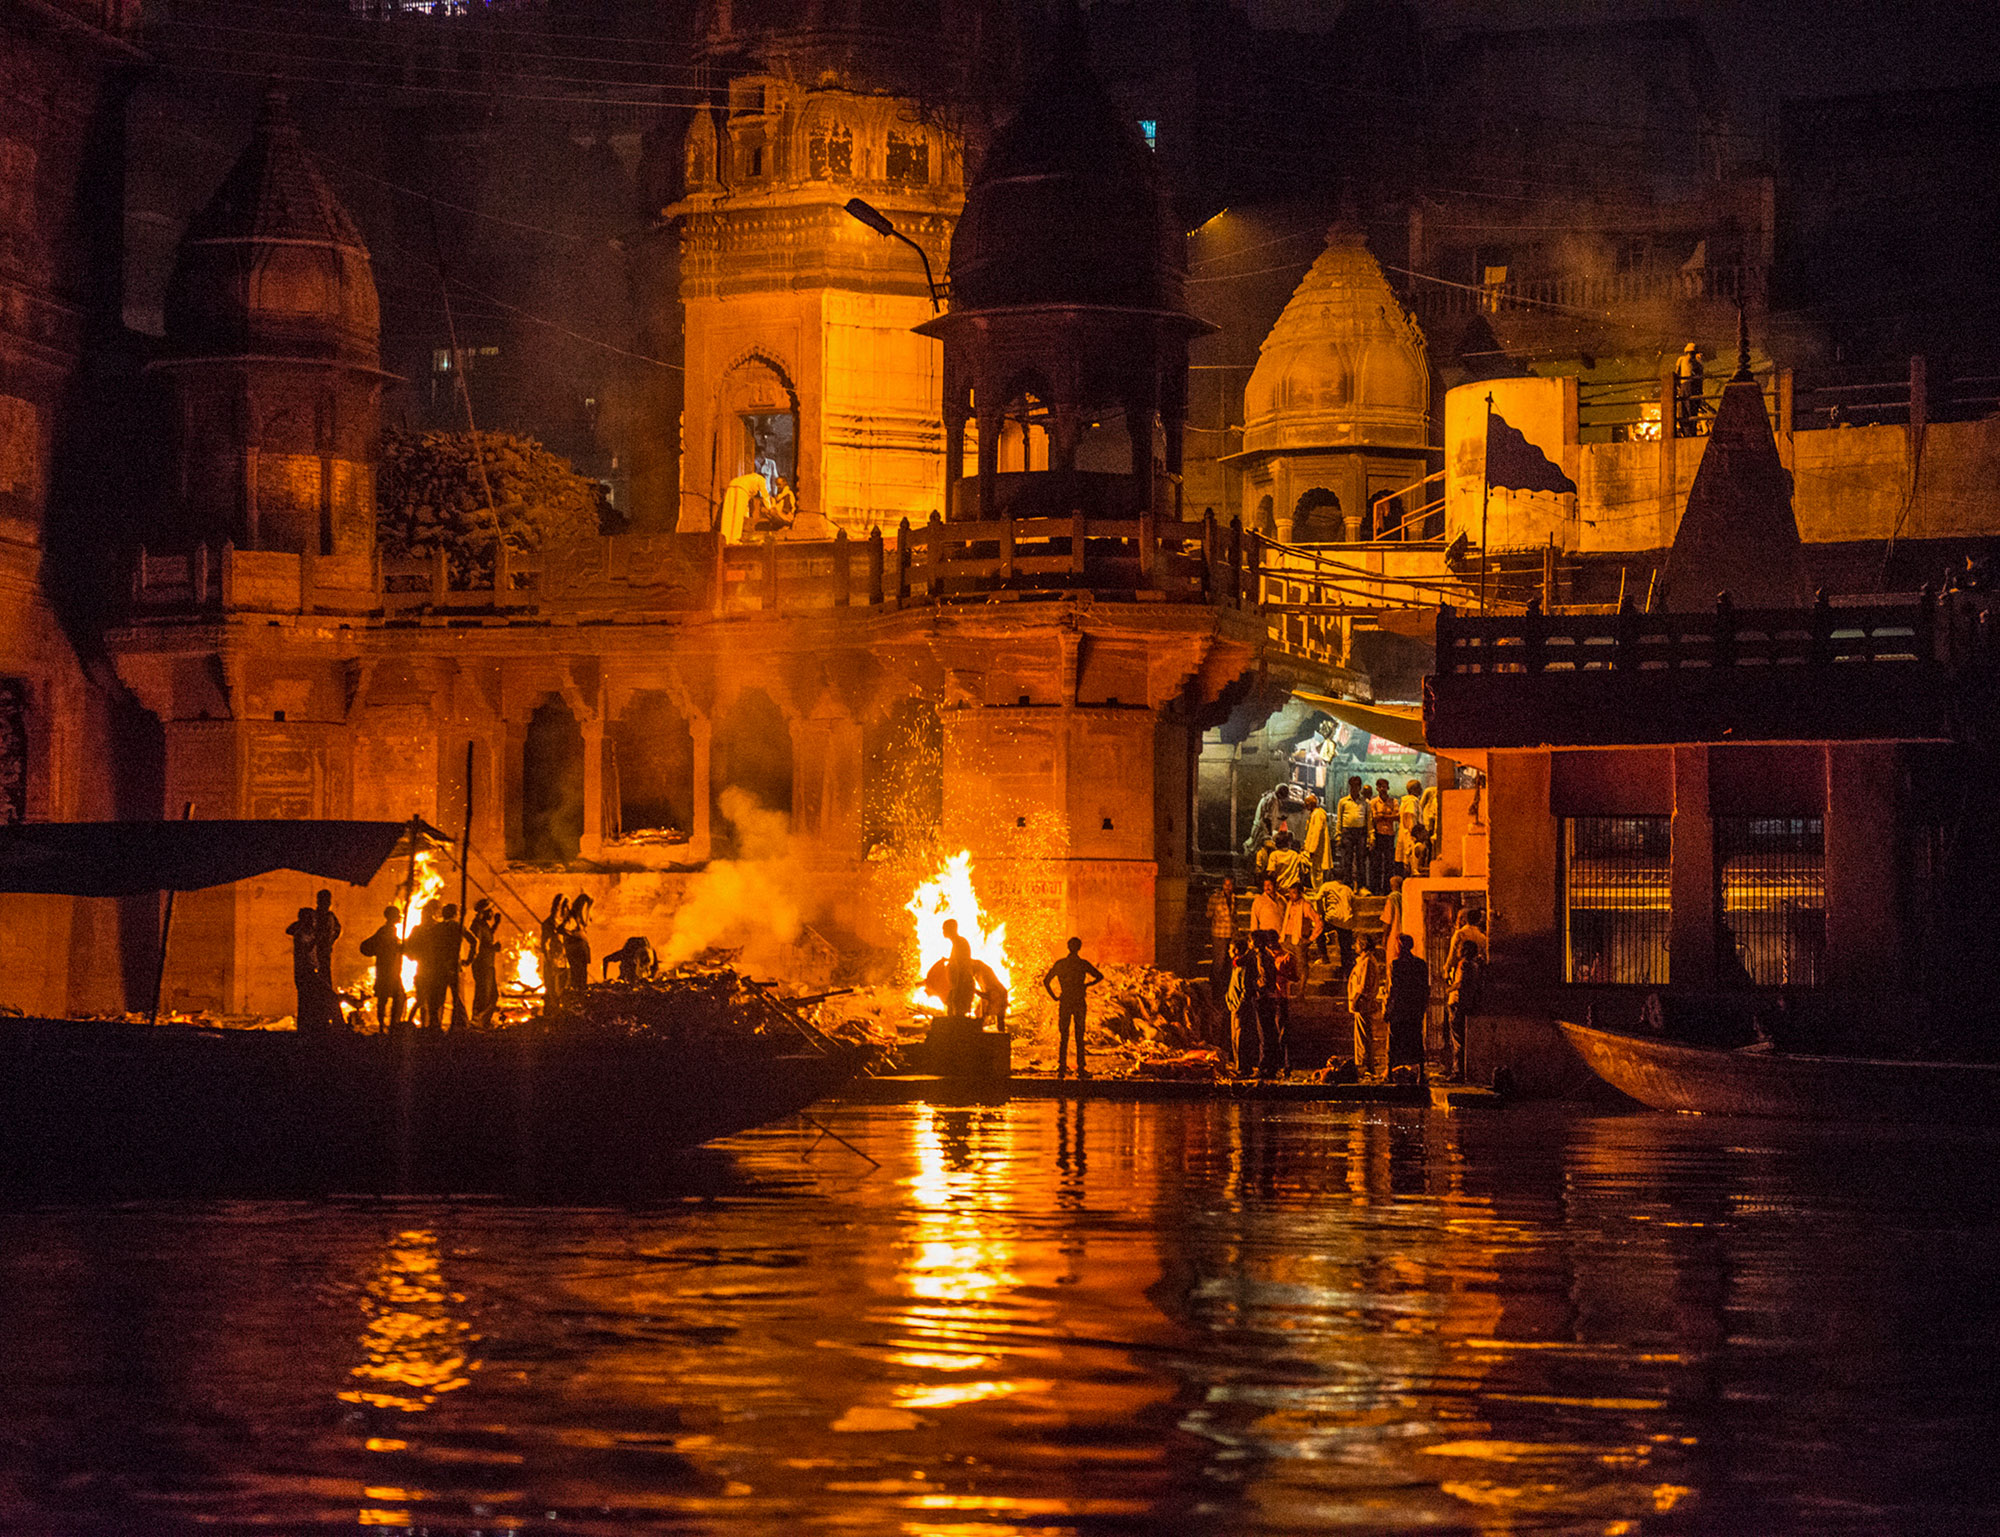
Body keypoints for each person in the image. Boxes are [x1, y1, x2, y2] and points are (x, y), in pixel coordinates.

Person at [1041, 937, 1104, 1079]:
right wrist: (1087, 985)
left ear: (1068, 947)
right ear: (1079, 948)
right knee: (1079, 1035)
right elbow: (1099, 976)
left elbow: (1046, 981)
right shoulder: (1082, 964)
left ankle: (1062, 1067)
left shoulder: (1061, 964)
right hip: (1079, 1001)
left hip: (1065, 1001)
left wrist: (1054, 997)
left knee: (1064, 1035)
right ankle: (1081, 1068)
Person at [1444, 908, 1487, 1081]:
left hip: (1458, 999)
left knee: (1456, 1037)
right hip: (1472, 998)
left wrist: (1447, 974)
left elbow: (1450, 960)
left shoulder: (1460, 936)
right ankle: (1465, 1069)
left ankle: (1456, 1070)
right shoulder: (1483, 938)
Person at [1385, 933, 1431, 1082]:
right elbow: (1425, 988)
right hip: (1414, 1009)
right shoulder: (1421, 964)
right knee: (1416, 1039)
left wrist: (1388, 1009)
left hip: (1399, 1009)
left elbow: (1394, 989)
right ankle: (1421, 1073)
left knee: (1394, 1040)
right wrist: (1422, 1006)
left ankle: (1391, 1074)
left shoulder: (1396, 965)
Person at [357, 903, 407, 1033]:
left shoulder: (388, 930)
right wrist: (398, 946)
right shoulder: (386, 931)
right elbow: (387, 947)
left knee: (387, 997)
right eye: (398, 915)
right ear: (392, 917)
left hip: (390, 970)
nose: (400, 917)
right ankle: (389, 1024)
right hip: (388, 970)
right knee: (393, 997)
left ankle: (387, 1024)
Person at [286, 906, 333, 1035]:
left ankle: (311, 1027)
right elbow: (306, 949)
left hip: (310, 969)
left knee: (309, 1000)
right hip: (305, 971)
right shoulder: (301, 934)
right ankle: (305, 1029)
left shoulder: (307, 932)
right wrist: (318, 937)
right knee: (306, 1000)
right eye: (311, 919)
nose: (314, 922)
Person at [1347, 932, 1384, 1082]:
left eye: (1357, 943)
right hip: (1361, 1003)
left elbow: (1363, 985)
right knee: (1362, 1034)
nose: (1355, 946)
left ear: (1362, 945)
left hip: (1363, 1003)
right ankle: (1365, 1065)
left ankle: (1363, 1065)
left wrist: (1355, 999)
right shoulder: (1363, 961)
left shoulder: (1368, 961)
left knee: (1363, 1036)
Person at [1224, 935, 1262, 1078]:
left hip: (1240, 1008)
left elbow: (1245, 989)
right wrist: (1228, 1000)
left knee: (1241, 1038)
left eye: (1230, 949)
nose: (1228, 951)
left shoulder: (1243, 967)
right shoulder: (1236, 965)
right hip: (1233, 1006)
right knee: (1235, 1038)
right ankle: (1238, 1065)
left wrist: (1239, 1005)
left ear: (1237, 950)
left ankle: (1243, 1068)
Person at [1261, 932, 1297, 1079]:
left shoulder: (1288, 956)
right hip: (1267, 998)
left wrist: (1280, 974)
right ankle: (1273, 1066)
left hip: (1281, 997)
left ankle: (1286, 1066)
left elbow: (1295, 977)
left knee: (1283, 1033)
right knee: (1270, 1034)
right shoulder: (1264, 957)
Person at [1278, 883, 1323, 1001]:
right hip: (1286, 939)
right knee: (1284, 966)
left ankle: (1301, 992)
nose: (1291, 895)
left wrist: (1310, 939)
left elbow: (1319, 922)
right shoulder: (1288, 904)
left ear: (1300, 893)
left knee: (1301, 967)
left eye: (1294, 892)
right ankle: (1284, 992)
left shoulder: (1306, 906)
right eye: (1290, 892)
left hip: (1299, 940)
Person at [468, 898, 502, 1024]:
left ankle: (483, 1022)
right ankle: (478, 1022)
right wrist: (493, 948)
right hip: (482, 965)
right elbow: (477, 944)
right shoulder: (477, 925)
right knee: (484, 995)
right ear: (485, 911)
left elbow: (487, 935)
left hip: (488, 964)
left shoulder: (483, 924)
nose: (492, 913)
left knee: (492, 995)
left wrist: (496, 924)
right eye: (491, 910)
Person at [1206, 876, 1238, 1007]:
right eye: (1226, 885)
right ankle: (1215, 988)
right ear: (1222, 886)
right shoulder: (1215, 898)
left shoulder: (1234, 898)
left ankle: (1225, 987)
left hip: (1230, 932)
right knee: (1218, 961)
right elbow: (1209, 914)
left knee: (1228, 961)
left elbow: (1234, 916)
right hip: (1219, 933)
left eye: (1230, 885)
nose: (1228, 887)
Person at [1336, 776, 1371, 890]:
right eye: (1352, 787)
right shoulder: (1343, 802)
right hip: (1347, 832)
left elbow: (1368, 820)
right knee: (1347, 859)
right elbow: (1339, 819)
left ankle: (1361, 885)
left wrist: (1371, 836)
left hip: (1361, 832)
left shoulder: (1365, 803)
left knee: (1361, 860)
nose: (1354, 789)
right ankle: (1347, 884)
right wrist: (1338, 835)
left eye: (1356, 786)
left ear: (1359, 787)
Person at [1243, 783, 1292, 857]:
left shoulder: (1273, 798)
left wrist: (1279, 819)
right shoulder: (1272, 800)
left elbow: (1270, 814)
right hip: (1262, 829)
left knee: (1257, 848)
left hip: (1263, 828)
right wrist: (1269, 833)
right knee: (1255, 849)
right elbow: (1267, 818)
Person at [1369, 778, 1399, 894]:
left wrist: (1382, 816)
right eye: (1380, 786)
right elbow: (1374, 818)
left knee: (1388, 863)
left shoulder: (1394, 801)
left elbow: (1397, 816)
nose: (1382, 789)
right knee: (1376, 864)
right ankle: (1375, 889)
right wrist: (1388, 815)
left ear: (1388, 787)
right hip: (1378, 835)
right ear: (1377, 788)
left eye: (1384, 786)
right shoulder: (1373, 802)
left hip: (1389, 836)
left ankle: (1387, 889)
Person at [941, 917, 976, 1018]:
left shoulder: (960, 943)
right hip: (958, 985)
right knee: (952, 1011)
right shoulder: (957, 943)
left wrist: (957, 989)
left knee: (957, 1016)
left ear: (951, 929)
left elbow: (961, 966)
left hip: (962, 984)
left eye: (944, 929)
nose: (943, 931)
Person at [563, 893, 594, 1006]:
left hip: (581, 950)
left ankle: (580, 997)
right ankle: (576, 998)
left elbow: (587, 920)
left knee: (582, 975)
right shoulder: (571, 919)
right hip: (575, 950)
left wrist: (590, 905)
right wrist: (575, 935)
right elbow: (563, 930)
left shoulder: (579, 919)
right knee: (577, 974)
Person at [539, 895, 570, 1008]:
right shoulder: (549, 924)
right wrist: (549, 960)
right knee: (553, 990)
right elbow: (545, 944)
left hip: (565, 960)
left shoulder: (566, 923)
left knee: (564, 989)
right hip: (554, 960)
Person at [1674, 341, 1705, 437]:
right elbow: (1676, 373)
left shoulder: (1698, 364)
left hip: (1692, 387)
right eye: (1690, 353)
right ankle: (1687, 432)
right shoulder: (1682, 360)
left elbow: (1700, 379)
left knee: (1692, 410)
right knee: (1684, 410)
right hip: (1685, 386)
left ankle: (1691, 432)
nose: (1691, 355)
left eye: (1692, 353)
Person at [1299, 791, 1331, 885]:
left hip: (1317, 849)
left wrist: (1312, 850)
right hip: (1314, 848)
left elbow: (1316, 832)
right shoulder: (1314, 814)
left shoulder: (1318, 815)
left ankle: (1318, 890)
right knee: (1315, 870)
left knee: (1317, 871)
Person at [1396, 778, 1426, 877]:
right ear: (1413, 789)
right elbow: (1410, 818)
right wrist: (1416, 834)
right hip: (1411, 835)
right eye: (1419, 788)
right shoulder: (1411, 802)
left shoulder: (1409, 801)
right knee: (1413, 858)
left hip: (1410, 834)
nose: (1421, 790)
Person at [1249, 875, 1283, 944]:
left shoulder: (1282, 900)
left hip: (1280, 938)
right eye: (1265, 885)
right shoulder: (1259, 901)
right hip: (1265, 937)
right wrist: (1254, 937)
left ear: (1275, 885)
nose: (1267, 887)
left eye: (1269, 885)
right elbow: (1254, 921)